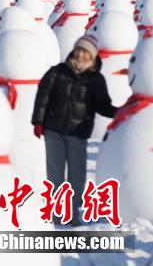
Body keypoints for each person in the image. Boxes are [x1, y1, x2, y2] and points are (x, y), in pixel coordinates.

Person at [31, 35, 116, 224]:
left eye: (86, 52)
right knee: (55, 173)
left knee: (77, 175)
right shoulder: (58, 72)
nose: (81, 55)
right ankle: (57, 212)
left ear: (92, 56)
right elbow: (43, 95)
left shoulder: (96, 80)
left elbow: (103, 105)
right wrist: (38, 121)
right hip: (53, 130)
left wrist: (121, 112)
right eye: (79, 50)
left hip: (78, 132)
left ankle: (73, 211)